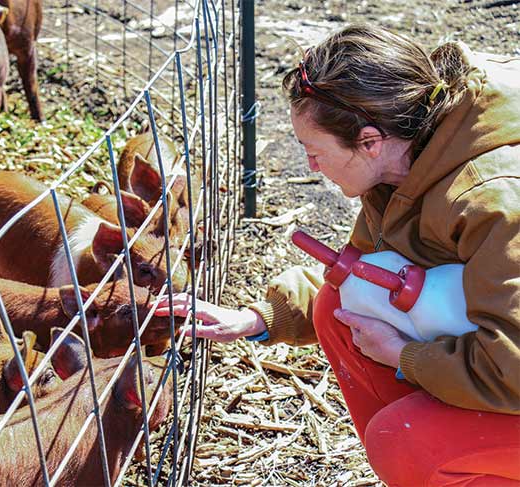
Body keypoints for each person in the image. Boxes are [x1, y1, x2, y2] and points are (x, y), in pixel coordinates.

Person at [154, 24, 520, 486]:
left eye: (313, 151)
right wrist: (261, 317)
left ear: (368, 140)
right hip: (501, 361)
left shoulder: (494, 200)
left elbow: (514, 365)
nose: (311, 166)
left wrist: (406, 356)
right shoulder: (403, 163)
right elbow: (359, 272)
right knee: (335, 309)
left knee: (405, 442)